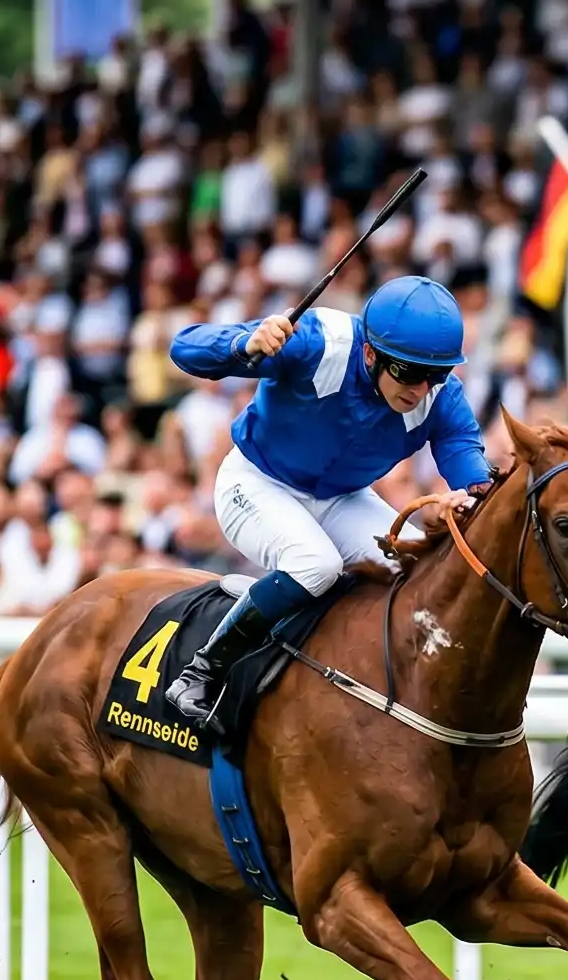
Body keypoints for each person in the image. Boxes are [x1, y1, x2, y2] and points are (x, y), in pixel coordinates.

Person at [159, 274, 492, 729]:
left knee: (422, 572)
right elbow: (185, 347)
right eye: (409, 372)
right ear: (371, 353)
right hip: (257, 482)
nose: (421, 389)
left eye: (436, 374)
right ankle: (201, 672)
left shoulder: (439, 396)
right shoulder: (317, 344)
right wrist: (243, 343)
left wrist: (475, 492)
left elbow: (463, 451)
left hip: (341, 498)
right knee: (317, 564)